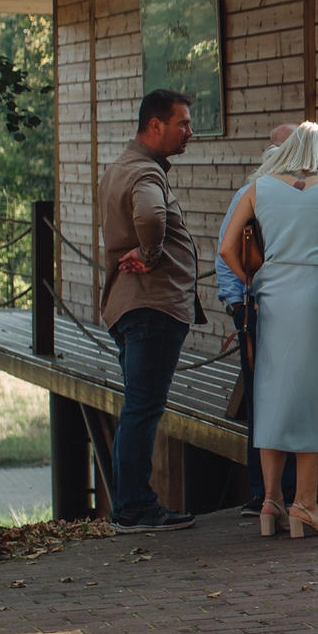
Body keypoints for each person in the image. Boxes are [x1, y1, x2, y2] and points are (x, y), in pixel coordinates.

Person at [217, 121, 318, 516]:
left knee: (270, 394)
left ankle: (270, 501)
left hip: (271, 297)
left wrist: (251, 282)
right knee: (316, 393)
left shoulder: (256, 189)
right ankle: (305, 503)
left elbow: (226, 250)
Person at [98, 89, 200, 534]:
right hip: (151, 304)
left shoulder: (122, 164)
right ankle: (136, 507)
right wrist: (151, 251)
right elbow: (151, 216)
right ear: (155, 125)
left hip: (130, 304)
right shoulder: (144, 172)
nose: (189, 133)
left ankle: (130, 505)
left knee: (137, 406)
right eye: (182, 124)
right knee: (143, 407)